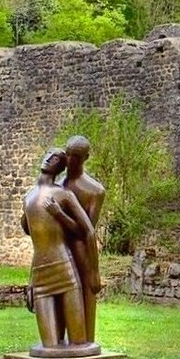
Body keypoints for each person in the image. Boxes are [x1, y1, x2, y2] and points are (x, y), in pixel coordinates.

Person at [20, 147, 98, 355]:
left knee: (79, 341)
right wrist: (31, 283)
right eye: (48, 155)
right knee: (49, 346)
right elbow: (37, 241)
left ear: (60, 167)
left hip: (65, 269)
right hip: (41, 274)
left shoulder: (64, 194)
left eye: (55, 158)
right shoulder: (28, 197)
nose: (48, 159)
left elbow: (86, 231)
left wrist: (59, 214)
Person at [62, 135, 106, 343]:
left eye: (76, 156)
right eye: (68, 154)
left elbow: (87, 229)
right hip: (60, 249)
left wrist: (95, 271)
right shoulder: (57, 185)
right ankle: (59, 341)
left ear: (85, 158)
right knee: (61, 296)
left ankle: (86, 343)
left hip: (82, 251)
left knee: (87, 296)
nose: (70, 160)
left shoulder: (95, 190)